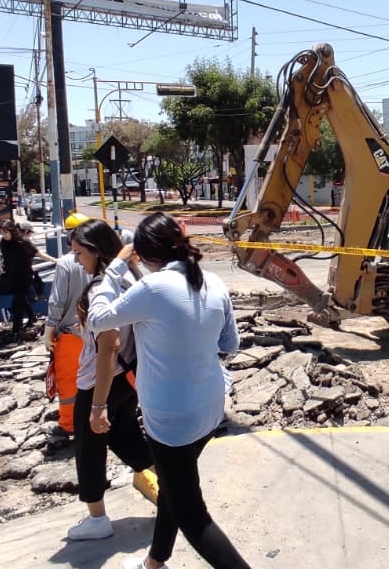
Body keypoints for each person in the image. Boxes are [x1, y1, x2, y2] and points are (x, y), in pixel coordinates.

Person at [87, 212, 250, 569]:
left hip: (170, 420)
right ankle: (155, 561)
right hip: (210, 407)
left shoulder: (153, 288)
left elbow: (97, 319)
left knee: (192, 515)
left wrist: (113, 271)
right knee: (174, 488)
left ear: (146, 255)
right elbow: (230, 344)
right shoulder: (213, 282)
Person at [66, 218, 159, 542]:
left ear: (95, 251)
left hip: (99, 382)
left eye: (79, 253)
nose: (76, 260)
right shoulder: (130, 278)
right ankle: (179, 488)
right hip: (127, 377)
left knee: (89, 449)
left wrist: (97, 405)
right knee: (126, 439)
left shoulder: (100, 289)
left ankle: (97, 518)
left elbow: (109, 345)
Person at [44, 212, 88, 433]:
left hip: (70, 335)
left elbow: (57, 301)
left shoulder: (66, 264)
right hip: (94, 332)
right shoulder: (102, 259)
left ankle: (69, 424)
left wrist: (49, 329)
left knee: (69, 382)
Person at [0, 219, 51, 339]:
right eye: (2, 233)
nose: (4, 236)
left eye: (5, 233)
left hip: (24, 277)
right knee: (21, 301)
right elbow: (4, 256)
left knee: (18, 303)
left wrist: (54, 260)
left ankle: (17, 330)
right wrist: (1, 264)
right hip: (12, 277)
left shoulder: (24, 242)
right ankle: (29, 319)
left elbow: (38, 253)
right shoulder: (3, 243)